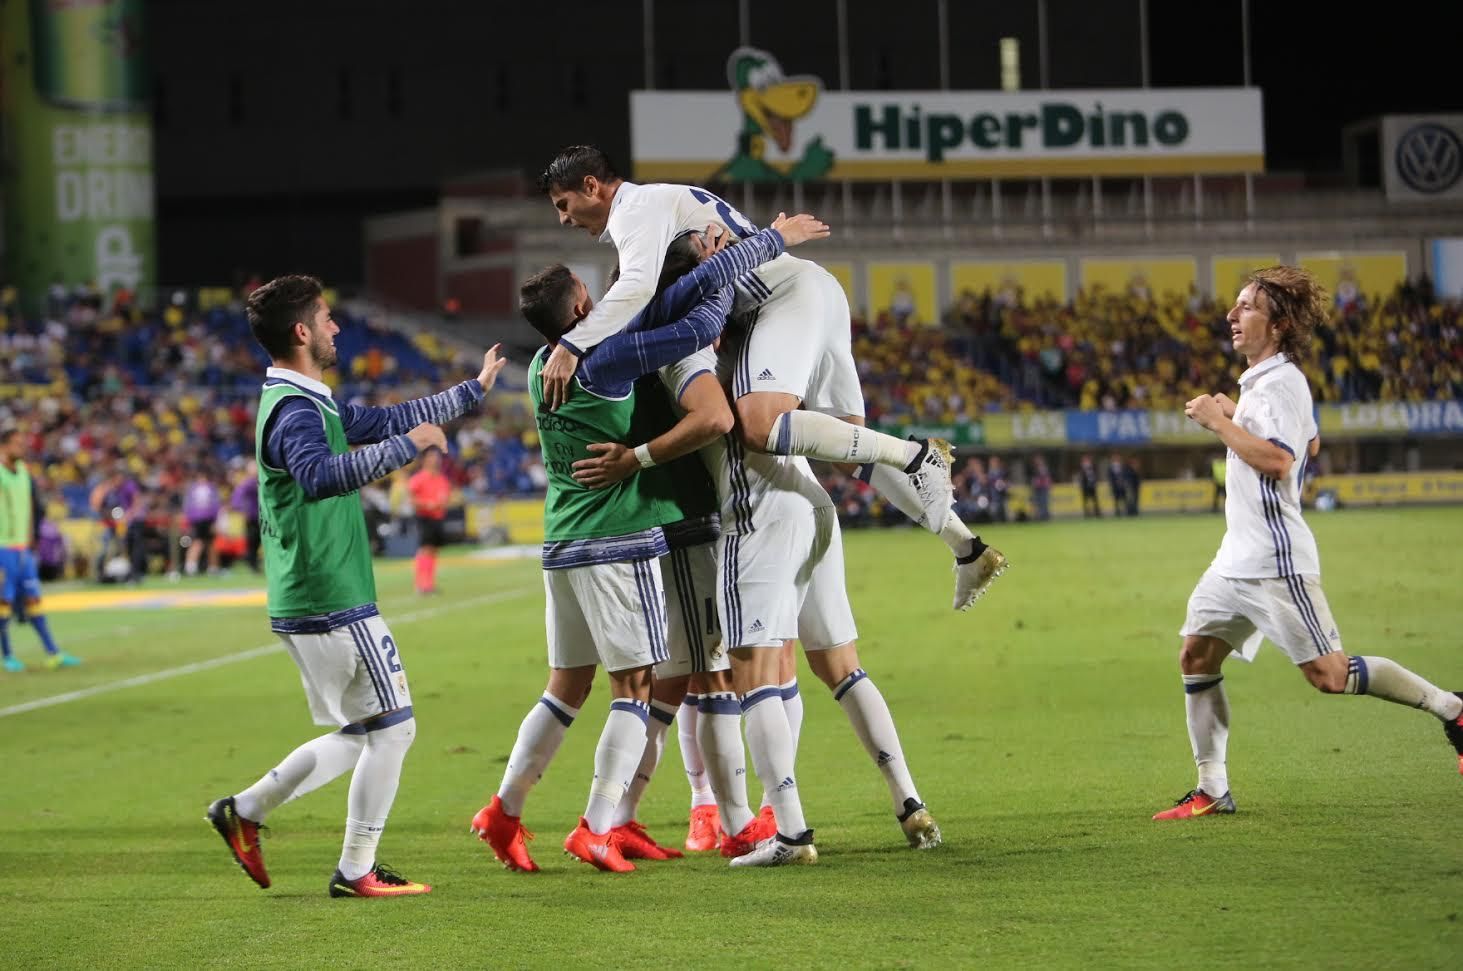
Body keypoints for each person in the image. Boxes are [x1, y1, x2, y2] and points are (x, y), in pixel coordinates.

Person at [575, 228, 943, 867]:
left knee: (752, 674)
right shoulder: (737, 330)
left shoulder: (681, 346)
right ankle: (909, 801)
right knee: (842, 666)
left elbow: (716, 421)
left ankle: (791, 834)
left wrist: (633, 459)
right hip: (810, 501)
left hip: (757, 507)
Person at [469, 215, 824, 873]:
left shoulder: (545, 363)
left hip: (564, 534)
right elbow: (689, 330)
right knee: (667, 682)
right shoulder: (615, 351)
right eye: (591, 293)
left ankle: (508, 809)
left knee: (572, 685)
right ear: (581, 307)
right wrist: (765, 244)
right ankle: (659, 823)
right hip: (634, 529)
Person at [534, 145, 1005, 612]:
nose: (564, 219)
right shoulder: (657, 204)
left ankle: (917, 454)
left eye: (563, 205)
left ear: (591, 186)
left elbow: (638, 288)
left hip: (782, 296)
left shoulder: (633, 209)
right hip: (811, 290)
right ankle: (968, 548)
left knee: (760, 426)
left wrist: (572, 345)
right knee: (848, 449)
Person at [205, 274, 506, 897]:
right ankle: (354, 867)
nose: (336, 326)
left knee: (369, 732)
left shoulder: (308, 398)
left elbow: (383, 418)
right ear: (302, 331)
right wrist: (408, 446)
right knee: (393, 731)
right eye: (326, 317)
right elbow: (319, 477)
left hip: (314, 594)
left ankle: (248, 810)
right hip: (329, 595)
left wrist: (469, 392)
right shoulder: (293, 411)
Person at [1155, 266, 1463, 820]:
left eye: (1246, 306)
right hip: (1235, 559)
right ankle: (1212, 789)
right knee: (1195, 654)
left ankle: (1454, 710)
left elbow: (1280, 460)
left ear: (1277, 324)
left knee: (1330, 674)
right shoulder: (1263, 383)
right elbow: (1312, 441)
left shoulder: (1281, 383)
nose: (1232, 314)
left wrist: (1217, 422)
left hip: (1277, 562)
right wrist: (1236, 412)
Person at [0, 427, 81, 673]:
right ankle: (7, 655)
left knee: (34, 600)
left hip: (23, 548)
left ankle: (53, 653)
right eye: (17, 444)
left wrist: (31, 536)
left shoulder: (24, 472)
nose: (23, 448)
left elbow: (32, 506)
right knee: (4, 602)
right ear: (4, 445)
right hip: (2, 547)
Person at [406, 449, 451, 595]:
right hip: (425, 517)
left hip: (438, 517)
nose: (435, 460)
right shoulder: (419, 478)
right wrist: (427, 504)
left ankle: (429, 583)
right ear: (425, 460)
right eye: (432, 457)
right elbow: (411, 499)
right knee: (425, 549)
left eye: (437, 457)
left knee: (433, 551)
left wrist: (442, 502)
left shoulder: (442, 478)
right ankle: (422, 585)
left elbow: (446, 497)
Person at [230, 461, 261, 573]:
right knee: (253, 541)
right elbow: (237, 497)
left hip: (258, 515)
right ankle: (252, 564)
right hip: (252, 516)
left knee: (256, 541)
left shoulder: (254, 481)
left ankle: (254, 563)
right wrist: (242, 510)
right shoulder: (249, 483)